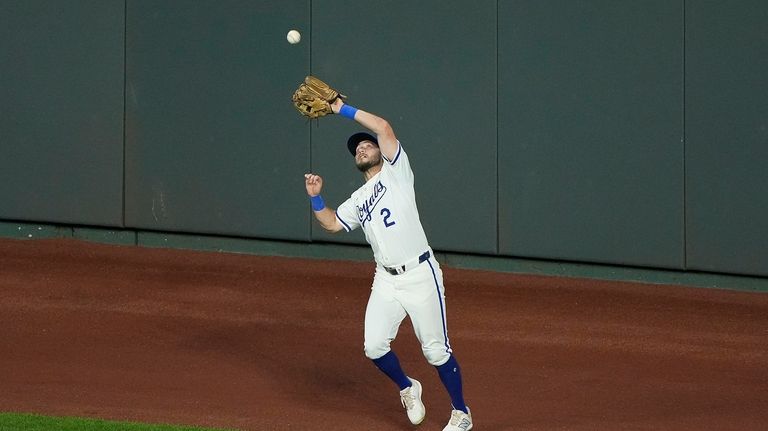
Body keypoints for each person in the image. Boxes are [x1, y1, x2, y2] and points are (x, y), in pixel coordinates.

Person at [303, 97, 473, 431]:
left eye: (366, 146)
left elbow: (382, 127)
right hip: (386, 279)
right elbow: (332, 224)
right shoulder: (357, 200)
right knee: (373, 347)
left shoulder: (397, 173)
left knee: (436, 352)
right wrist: (315, 196)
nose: (361, 150)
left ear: (381, 151)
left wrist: (340, 109)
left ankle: (461, 414)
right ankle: (409, 388)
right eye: (357, 150)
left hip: (420, 275)